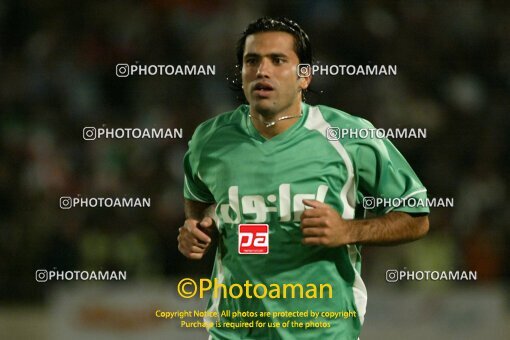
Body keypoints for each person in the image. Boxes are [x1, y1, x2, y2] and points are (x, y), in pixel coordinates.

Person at [178, 17, 429, 339]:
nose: (262, 71)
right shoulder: (209, 140)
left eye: (278, 60)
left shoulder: (349, 136)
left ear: (304, 77)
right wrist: (197, 229)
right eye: (251, 60)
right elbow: (200, 202)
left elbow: (415, 217)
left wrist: (348, 230)